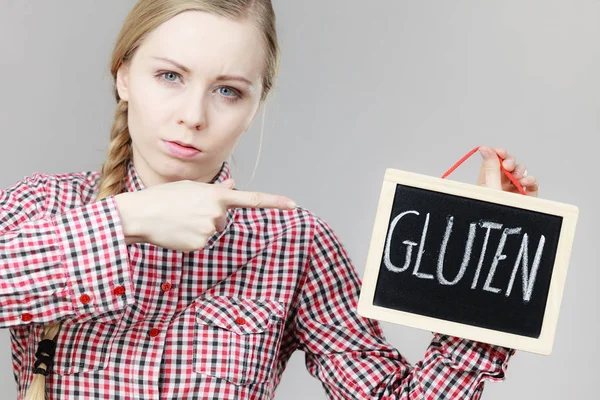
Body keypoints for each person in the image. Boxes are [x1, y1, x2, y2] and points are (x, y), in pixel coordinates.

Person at [0, 1, 539, 399]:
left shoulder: (295, 242)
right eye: (169, 76)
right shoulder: (41, 208)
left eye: (228, 90)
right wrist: (124, 221)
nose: (193, 115)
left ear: (255, 105)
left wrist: (489, 257)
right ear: (123, 77)